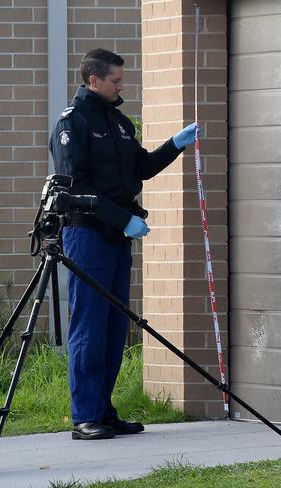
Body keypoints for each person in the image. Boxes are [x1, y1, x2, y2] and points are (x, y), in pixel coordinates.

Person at [49, 48, 198, 440]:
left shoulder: (118, 122)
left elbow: (142, 167)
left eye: (121, 80)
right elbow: (74, 189)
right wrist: (121, 219)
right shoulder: (73, 124)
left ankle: (104, 410)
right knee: (90, 327)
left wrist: (176, 143)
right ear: (93, 80)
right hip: (87, 235)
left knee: (115, 329)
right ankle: (84, 416)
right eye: (115, 80)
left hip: (117, 236)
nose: (121, 86)